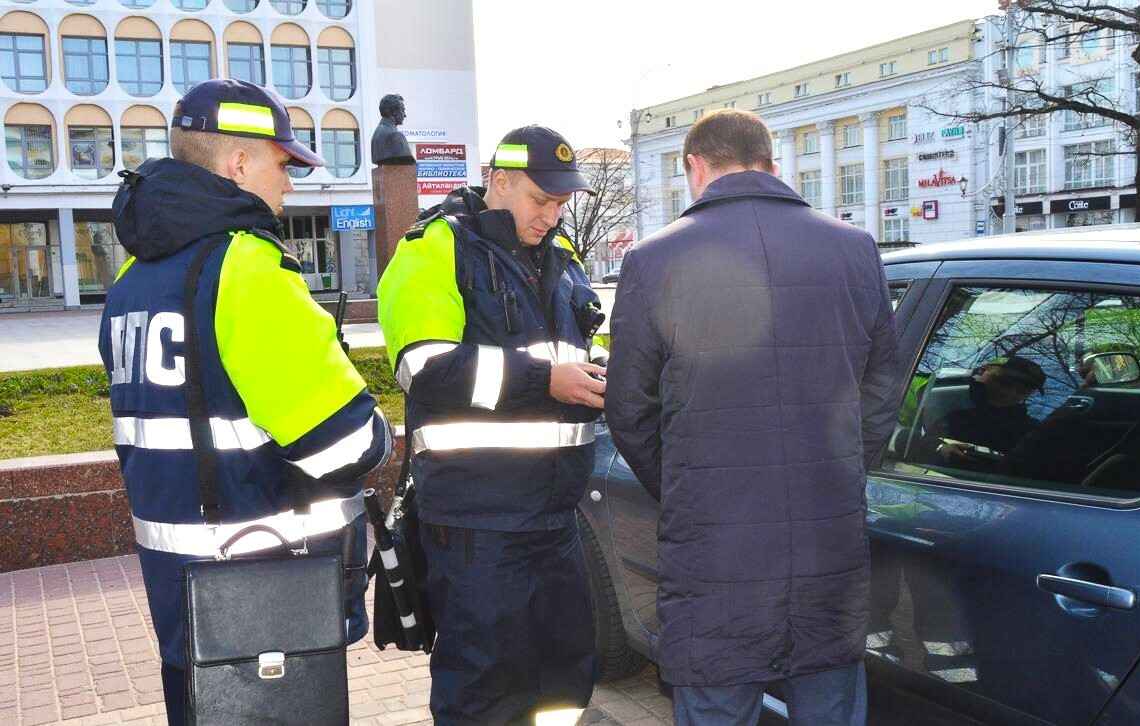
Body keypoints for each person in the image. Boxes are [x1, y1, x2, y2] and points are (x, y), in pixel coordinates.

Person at [97, 79, 393, 725]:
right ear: (238, 164)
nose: (290, 183)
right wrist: (379, 428)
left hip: (181, 585)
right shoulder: (249, 269)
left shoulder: (133, 279)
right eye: (282, 163)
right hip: (266, 587)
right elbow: (346, 445)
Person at [605, 109, 901, 726]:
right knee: (829, 693)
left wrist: (688, 488)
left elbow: (630, 409)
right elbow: (882, 388)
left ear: (695, 166)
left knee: (716, 696)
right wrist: (842, 464)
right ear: (772, 163)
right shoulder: (855, 248)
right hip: (828, 525)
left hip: (713, 538)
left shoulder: (652, 260)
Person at [376, 125, 605, 725]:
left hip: (556, 515)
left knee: (562, 680)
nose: (551, 217)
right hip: (477, 522)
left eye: (560, 205)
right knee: (484, 687)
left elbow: (571, 354)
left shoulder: (562, 258)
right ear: (498, 180)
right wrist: (544, 381)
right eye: (540, 200)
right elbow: (423, 369)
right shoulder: (432, 247)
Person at [916, 356, 1044, 471]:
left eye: (1022, 391)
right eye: (1003, 382)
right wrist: (939, 448)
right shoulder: (943, 402)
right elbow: (913, 440)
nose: (1009, 393)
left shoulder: (1031, 432)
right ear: (982, 371)